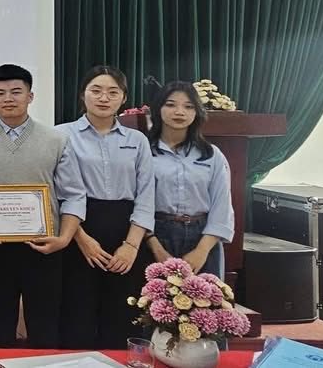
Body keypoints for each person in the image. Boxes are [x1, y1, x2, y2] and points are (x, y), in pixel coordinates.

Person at [0, 64, 86, 349]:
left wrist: (64, 238)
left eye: (16, 91)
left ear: (30, 96)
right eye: (0, 93)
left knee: (45, 327)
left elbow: (74, 195)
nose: (8, 98)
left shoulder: (56, 139)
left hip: (44, 247)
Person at [56, 66, 154, 349]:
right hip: (77, 228)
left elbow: (146, 196)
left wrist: (131, 246)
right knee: (77, 314)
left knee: (122, 316)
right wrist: (81, 238)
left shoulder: (137, 140)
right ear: (82, 95)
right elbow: (55, 193)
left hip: (126, 230)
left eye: (113, 92)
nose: (103, 98)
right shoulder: (61, 135)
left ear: (123, 98)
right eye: (96, 90)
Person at [145, 81, 234, 279]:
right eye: (171, 104)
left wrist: (202, 251)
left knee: (205, 297)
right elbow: (136, 203)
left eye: (188, 106)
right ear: (158, 109)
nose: (179, 112)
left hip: (203, 237)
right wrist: (155, 247)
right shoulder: (144, 151)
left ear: (197, 112)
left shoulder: (211, 155)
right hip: (155, 236)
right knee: (155, 298)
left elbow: (222, 206)